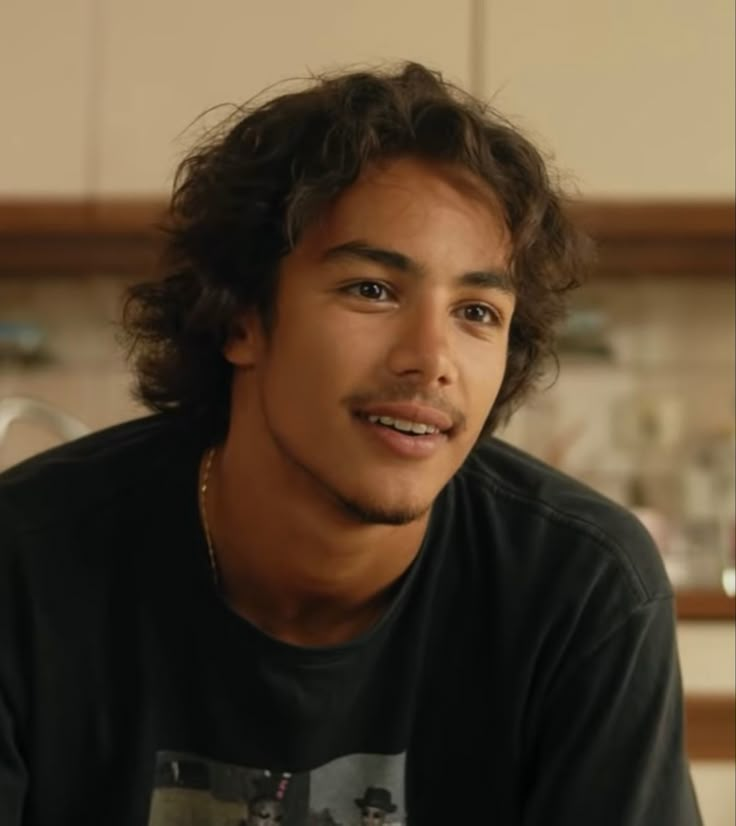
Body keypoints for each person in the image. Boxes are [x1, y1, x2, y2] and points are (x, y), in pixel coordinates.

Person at [0, 62, 701, 824]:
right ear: (242, 317)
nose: (431, 359)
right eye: (372, 289)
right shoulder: (24, 566)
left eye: (477, 312)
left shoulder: (582, 589)